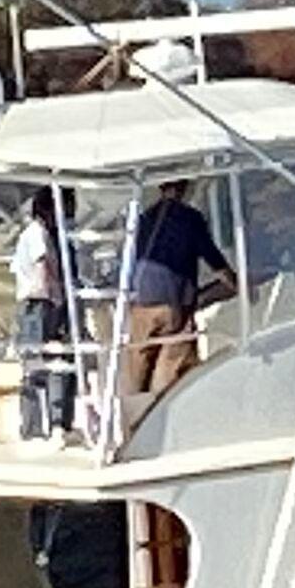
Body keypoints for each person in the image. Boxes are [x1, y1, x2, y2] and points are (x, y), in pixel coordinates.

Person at [118, 177, 234, 416]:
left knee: (138, 364)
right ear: (184, 188)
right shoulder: (190, 218)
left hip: (141, 300)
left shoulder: (144, 219)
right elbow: (212, 257)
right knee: (174, 362)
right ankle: (166, 415)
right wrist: (233, 280)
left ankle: (134, 419)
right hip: (174, 300)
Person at [9, 188, 75, 441]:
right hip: (39, 304)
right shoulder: (37, 234)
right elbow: (42, 267)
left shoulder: (35, 234)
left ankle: (54, 424)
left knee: (49, 360)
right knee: (37, 364)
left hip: (37, 304)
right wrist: (56, 297)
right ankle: (33, 429)